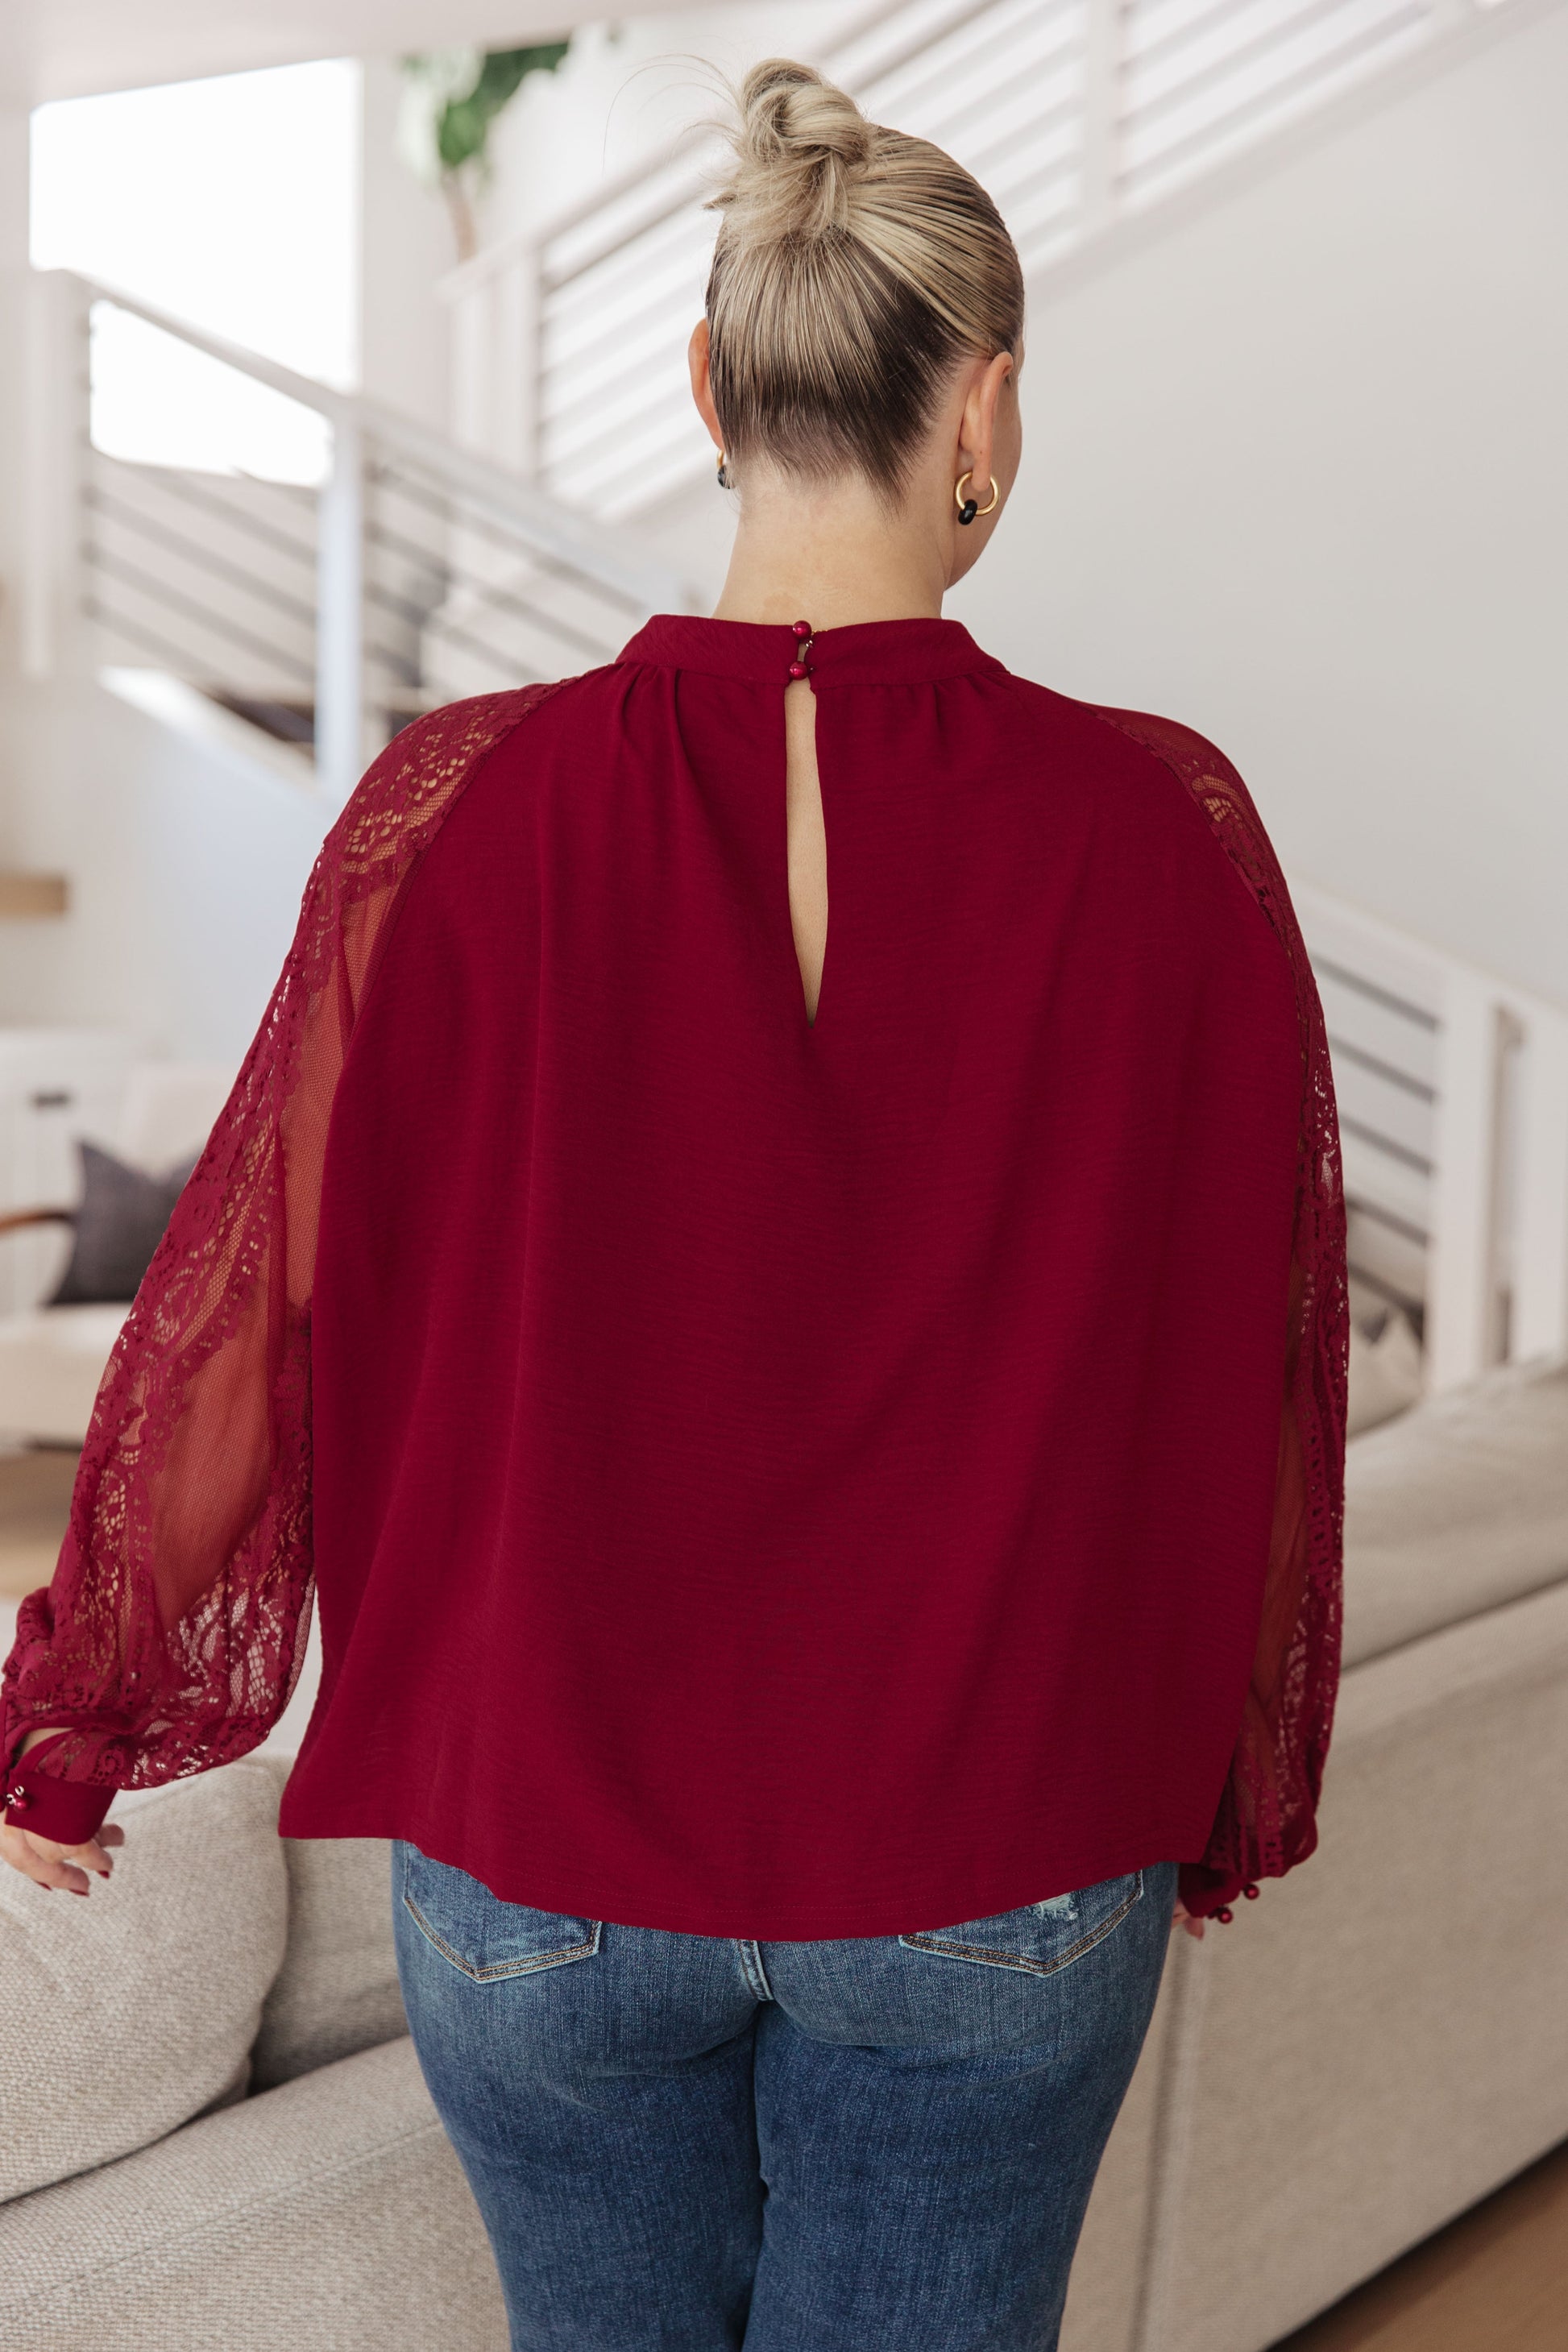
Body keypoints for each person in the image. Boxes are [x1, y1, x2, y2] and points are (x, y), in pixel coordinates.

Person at [1, 57, 1347, 2352]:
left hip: (543, 1862)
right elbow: (1261, 1343)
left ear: (708, 384)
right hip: (995, 1845)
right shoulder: (1161, 831)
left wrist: (84, 1709)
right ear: (986, 409)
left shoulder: (449, 813)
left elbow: (248, 1289)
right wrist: (1233, 1770)